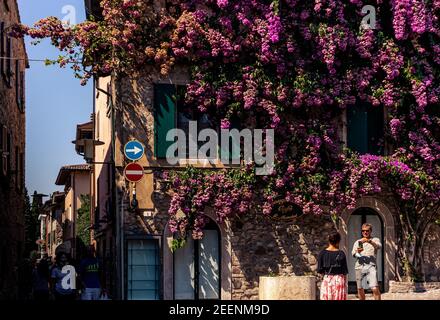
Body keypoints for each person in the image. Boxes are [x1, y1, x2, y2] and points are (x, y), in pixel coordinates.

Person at [351, 223, 382, 300]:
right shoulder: (358, 242)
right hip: (359, 266)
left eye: (367, 231)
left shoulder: (375, 240)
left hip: (371, 266)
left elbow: (379, 246)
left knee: (374, 288)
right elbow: (354, 254)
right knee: (360, 288)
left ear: (370, 231)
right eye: (363, 231)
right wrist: (358, 253)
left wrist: (369, 241)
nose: (365, 232)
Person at [318, 232, 348, 300]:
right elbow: (344, 271)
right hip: (339, 280)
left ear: (329, 240)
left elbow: (320, 270)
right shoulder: (341, 253)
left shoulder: (322, 253)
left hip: (327, 280)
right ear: (338, 241)